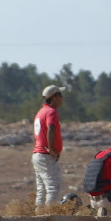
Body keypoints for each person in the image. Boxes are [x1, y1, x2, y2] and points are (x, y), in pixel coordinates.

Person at [32, 85, 65, 214]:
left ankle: (39, 216)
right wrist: (52, 149)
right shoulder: (51, 112)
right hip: (45, 155)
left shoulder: (40, 112)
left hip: (37, 154)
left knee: (41, 189)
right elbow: (51, 127)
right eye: (60, 95)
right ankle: (49, 219)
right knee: (53, 188)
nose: (62, 98)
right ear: (55, 97)